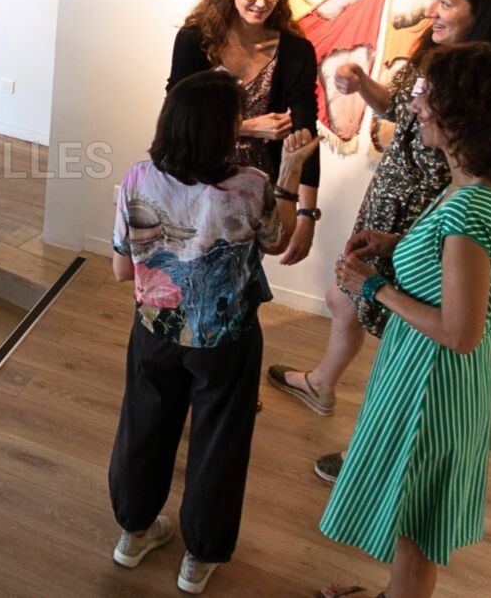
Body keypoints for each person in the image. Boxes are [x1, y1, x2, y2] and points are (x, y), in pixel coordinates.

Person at [266, 0, 491, 482]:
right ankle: (324, 384)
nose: (430, 10)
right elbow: (405, 111)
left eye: (446, 2)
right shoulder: (440, 61)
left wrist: (404, 247)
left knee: (405, 343)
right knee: (345, 299)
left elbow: (455, 332)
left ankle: (375, 449)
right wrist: (366, 86)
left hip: (423, 219)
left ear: (483, 15)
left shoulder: (485, 88)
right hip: (392, 209)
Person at [316, 43, 491, 598]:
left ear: (463, 112)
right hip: (439, 378)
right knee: (414, 515)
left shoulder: (469, 207)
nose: (414, 106)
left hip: (430, 384)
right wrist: (397, 243)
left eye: (426, 96)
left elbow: (460, 333)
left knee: (414, 526)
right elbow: (463, 260)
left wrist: (371, 285)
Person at [108, 71, 318, 595]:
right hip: (226, 339)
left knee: (145, 426)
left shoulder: (137, 177)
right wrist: (290, 172)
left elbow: (120, 270)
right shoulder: (250, 186)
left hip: (156, 329)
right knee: (219, 442)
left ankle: (133, 534)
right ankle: (199, 559)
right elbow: (277, 242)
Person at [169, 0, 322, 265]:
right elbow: (175, 119)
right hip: (194, 177)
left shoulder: (296, 51)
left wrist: (306, 212)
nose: (262, 2)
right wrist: (249, 127)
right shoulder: (196, 39)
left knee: (238, 280)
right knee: (180, 273)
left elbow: (306, 133)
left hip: (257, 192)